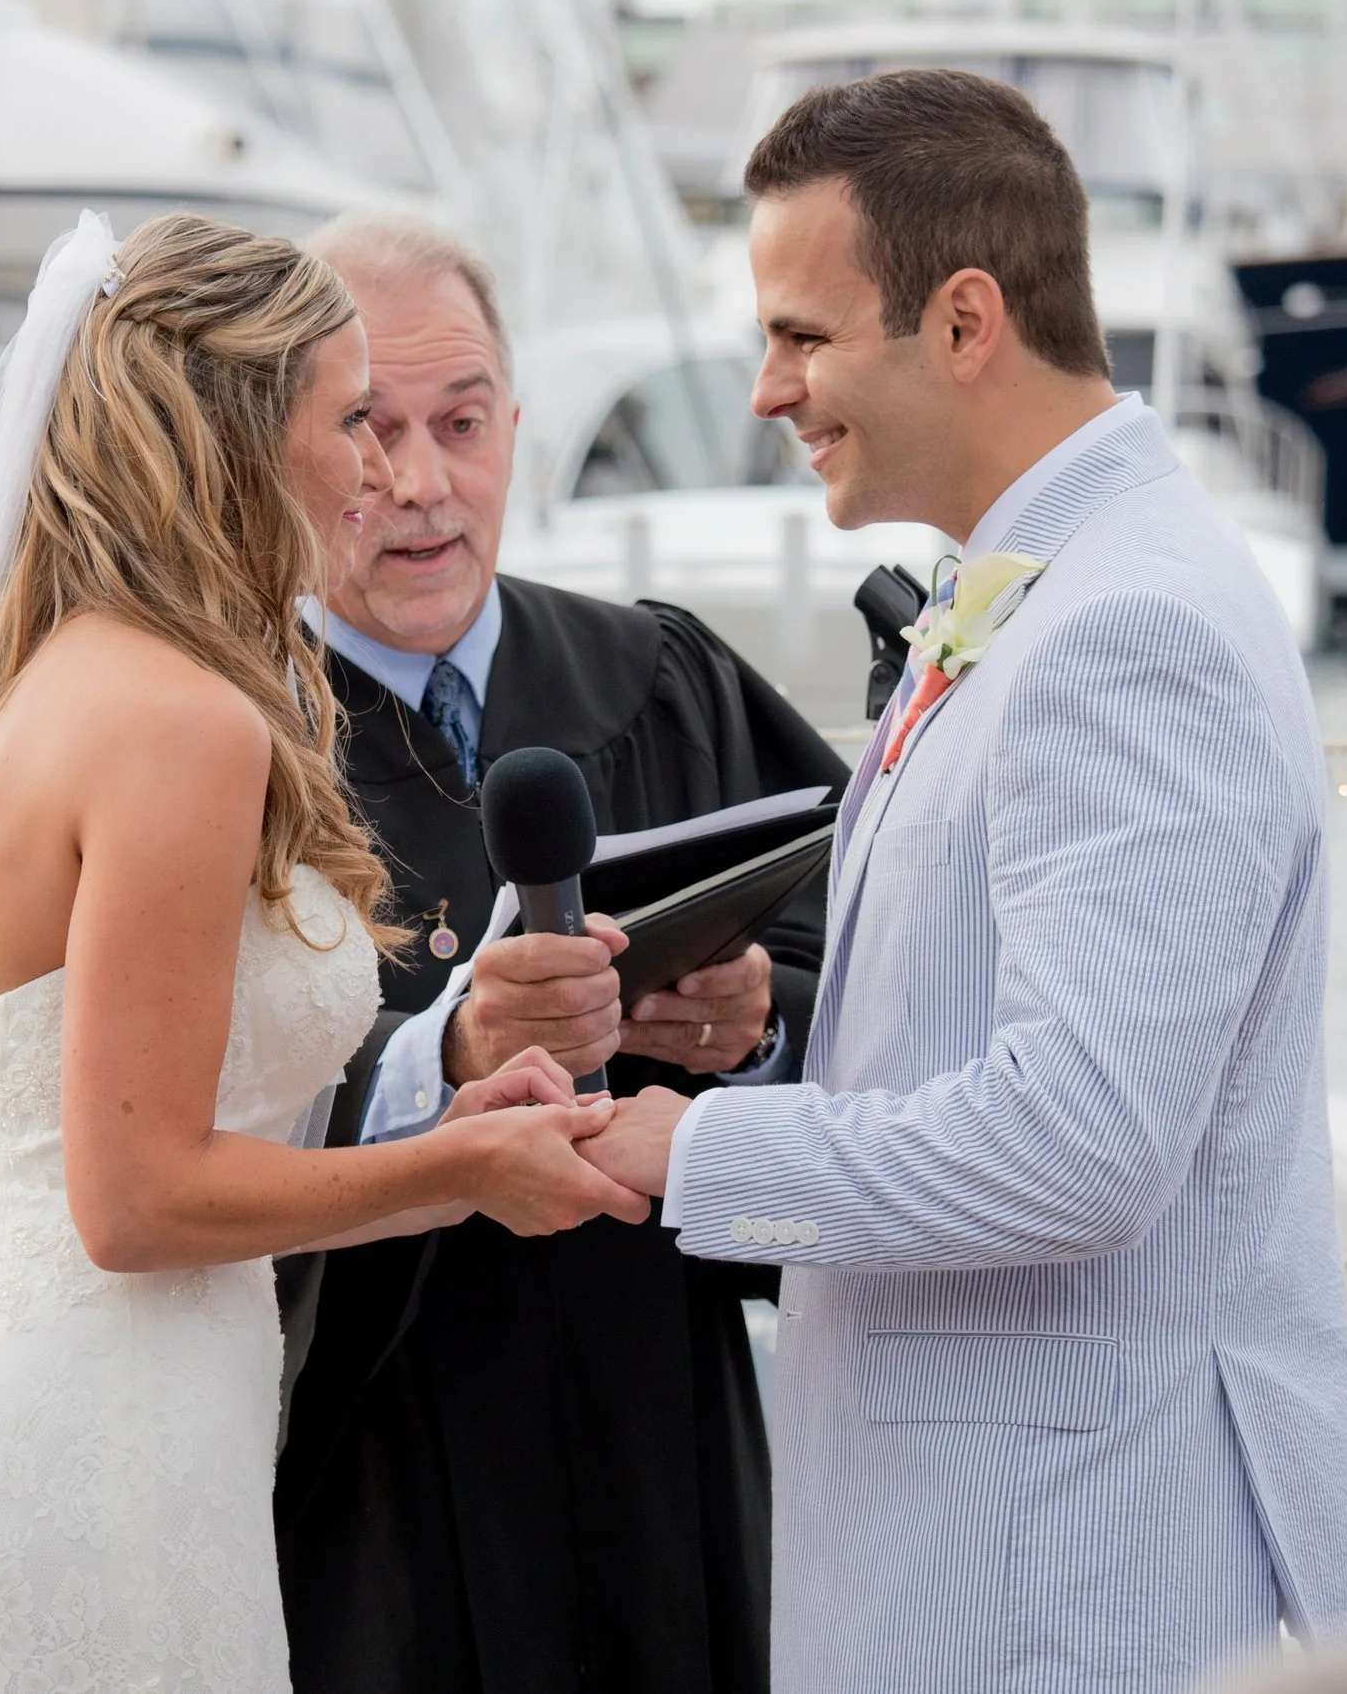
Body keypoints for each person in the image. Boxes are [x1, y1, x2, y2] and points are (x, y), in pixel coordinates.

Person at [580, 71, 1347, 1690]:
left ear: (963, 321)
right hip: (986, 1552)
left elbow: (1082, 1141)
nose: (766, 390)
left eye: (803, 336)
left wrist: (699, 1148)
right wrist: (764, 1039)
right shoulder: (1035, 592)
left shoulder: (1127, 628)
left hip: (1079, 1573)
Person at [0, 212, 651, 1694]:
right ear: (240, 434)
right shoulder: (181, 723)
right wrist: (461, 1168)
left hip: (53, 1396)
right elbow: (136, 1198)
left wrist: (442, 1126)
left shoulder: (55, 676)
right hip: (98, 1429)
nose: (384, 475)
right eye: (351, 421)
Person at [272, 212, 849, 1694]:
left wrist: (751, 1023)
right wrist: (450, 1053)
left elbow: (858, 959)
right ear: (279, 446)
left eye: (461, 423)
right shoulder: (230, 740)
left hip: (656, 1394)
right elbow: (174, 1103)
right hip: (380, 1441)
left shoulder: (658, 678)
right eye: (366, 428)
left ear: (516, 424)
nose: (420, 483)